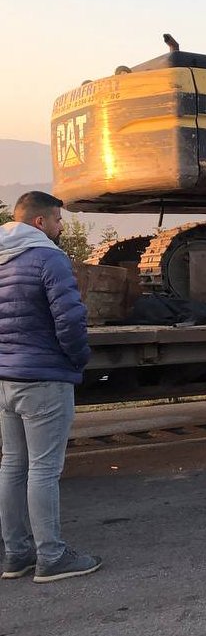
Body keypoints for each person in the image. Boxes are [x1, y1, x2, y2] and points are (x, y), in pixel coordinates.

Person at [0, 191, 101, 583]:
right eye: (58, 220)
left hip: (7, 378)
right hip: (44, 377)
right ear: (40, 222)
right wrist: (76, 360)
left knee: (12, 465)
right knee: (43, 469)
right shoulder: (49, 257)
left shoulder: (3, 257)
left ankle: (16, 555)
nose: (61, 227)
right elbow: (70, 319)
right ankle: (52, 556)